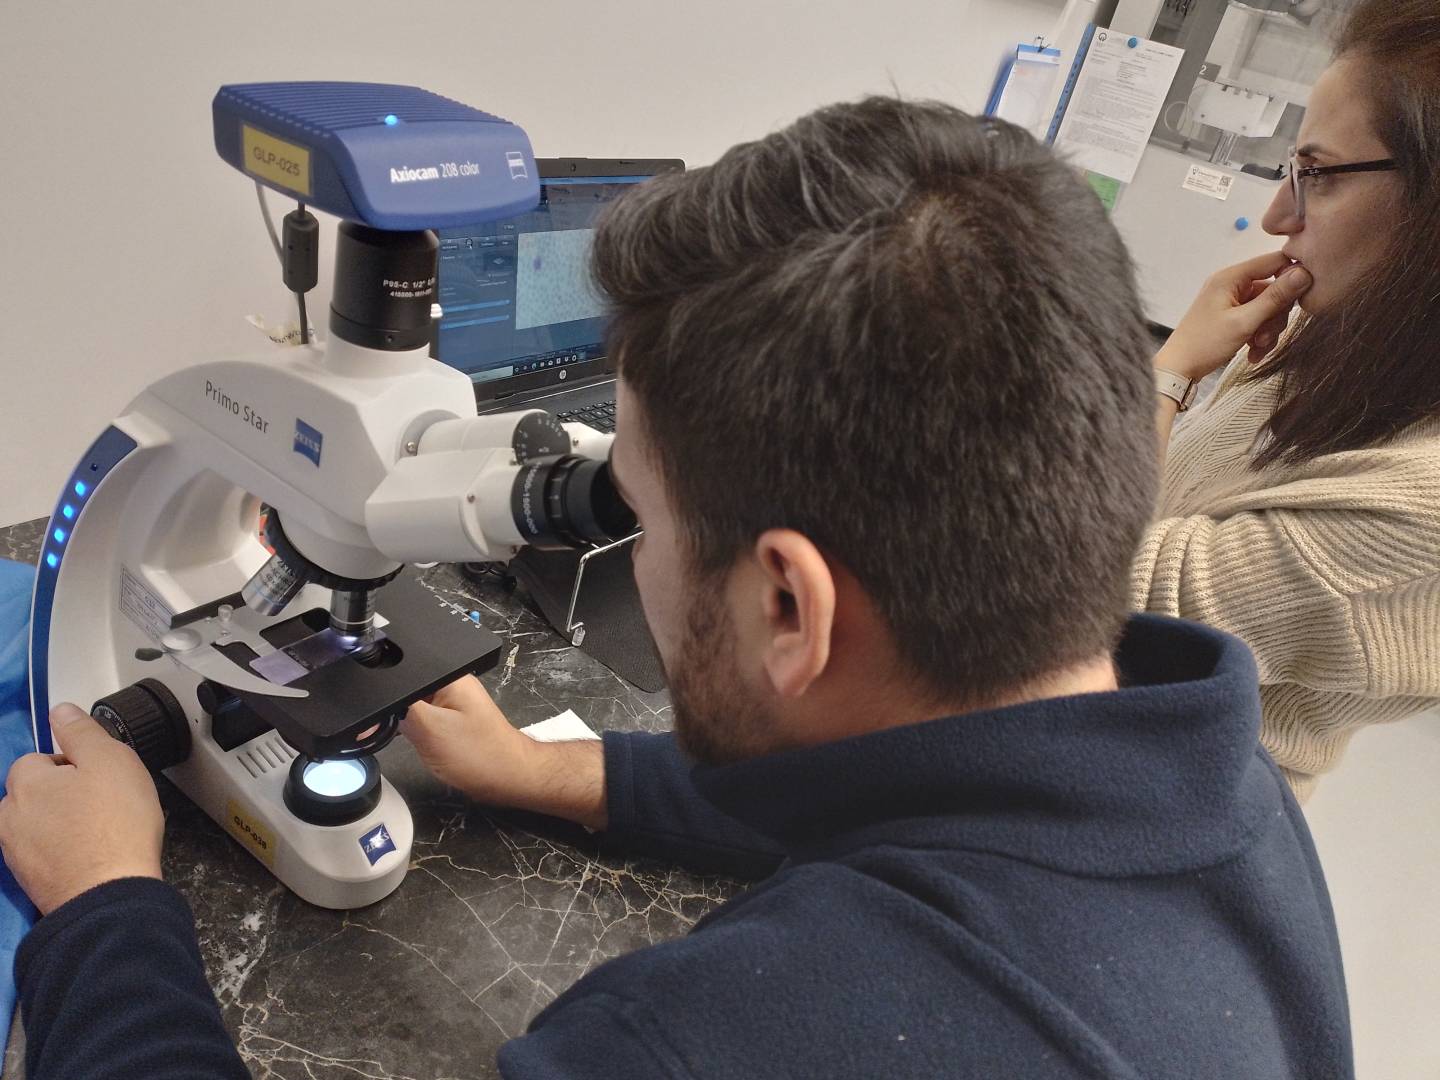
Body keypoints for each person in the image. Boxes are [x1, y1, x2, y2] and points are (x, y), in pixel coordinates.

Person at [0, 98, 1352, 1078]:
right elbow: (915, 780)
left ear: (789, 611)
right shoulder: (1221, 789)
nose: (625, 538)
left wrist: (107, 906)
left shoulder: (698, 1041)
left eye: (630, 508)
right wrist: (548, 772)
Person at [1135, 0, 1440, 801]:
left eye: (1319, 175)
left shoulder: (1425, 500)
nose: (1277, 217)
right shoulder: (1344, 337)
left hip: (1156, 800)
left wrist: (1170, 375)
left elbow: (1102, 601)